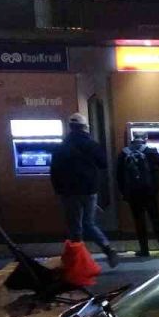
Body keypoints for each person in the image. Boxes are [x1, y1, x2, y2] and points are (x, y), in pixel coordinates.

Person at [50, 113, 119, 268]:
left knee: (75, 227)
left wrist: (57, 189)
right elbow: (103, 163)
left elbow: (54, 170)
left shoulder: (61, 146)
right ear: (84, 127)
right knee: (89, 223)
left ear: (70, 128)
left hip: (69, 192)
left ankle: (80, 262)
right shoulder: (91, 144)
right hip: (89, 191)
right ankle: (108, 248)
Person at [116, 133, 159, 257]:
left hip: (133, 193)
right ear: (145, 139)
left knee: (139, 221)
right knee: (155, 218)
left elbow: (118, 176)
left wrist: (124, 193)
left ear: (133, 139)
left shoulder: (124, 153)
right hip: (149, 191)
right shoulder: (150, 151)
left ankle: (144, 250)